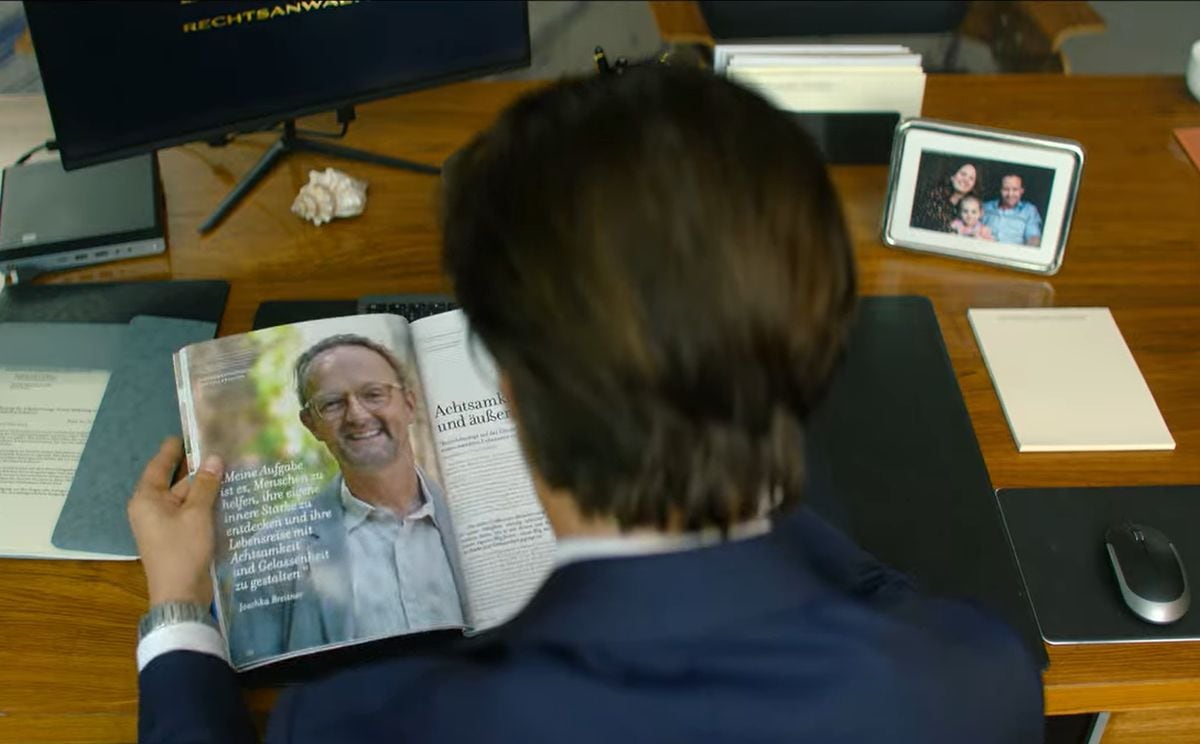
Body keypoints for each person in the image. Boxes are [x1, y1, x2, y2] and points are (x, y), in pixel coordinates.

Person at [128, 68, 1043, 743]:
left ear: (513, 392)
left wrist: (178, 615)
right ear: (810, 353)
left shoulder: (357, 722)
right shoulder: (977, 675)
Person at [224, 334, 465, 665]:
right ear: (311, 424)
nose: (357, 415)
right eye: (332, 403)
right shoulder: (269, 554)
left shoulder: (473, 517)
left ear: (409, 404)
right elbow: (259, 686)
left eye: (374, 394)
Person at [911, 160, 978, 232]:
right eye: (963, 174)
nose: (966, 180)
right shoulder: (935, 196)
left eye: (971, 178)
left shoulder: (972, 207)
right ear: (952, 176)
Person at [983, 174, 1043, 246]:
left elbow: (1033, 238)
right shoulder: (986, 207)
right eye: (1006, 189)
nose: (1010, 194)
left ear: (1021, 191)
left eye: (1015, 189)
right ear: (1000, 190)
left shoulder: (1029, 210)